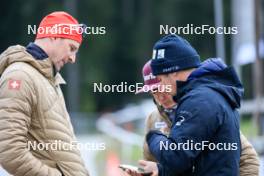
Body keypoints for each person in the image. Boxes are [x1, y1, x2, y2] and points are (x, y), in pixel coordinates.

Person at [128, 34, 245, 176]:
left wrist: (153, 137)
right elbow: (198, 162)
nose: (162, 86)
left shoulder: (199, 101)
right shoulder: (210, 94)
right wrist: (160, 170)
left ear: (174, 71)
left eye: (161, 78)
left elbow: (174, 157)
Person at [0, 11, 89, 176]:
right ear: (54, 36)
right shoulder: (20, 76)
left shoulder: (48, 78)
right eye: (71, 48)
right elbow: (9, 150)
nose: (73, 58)